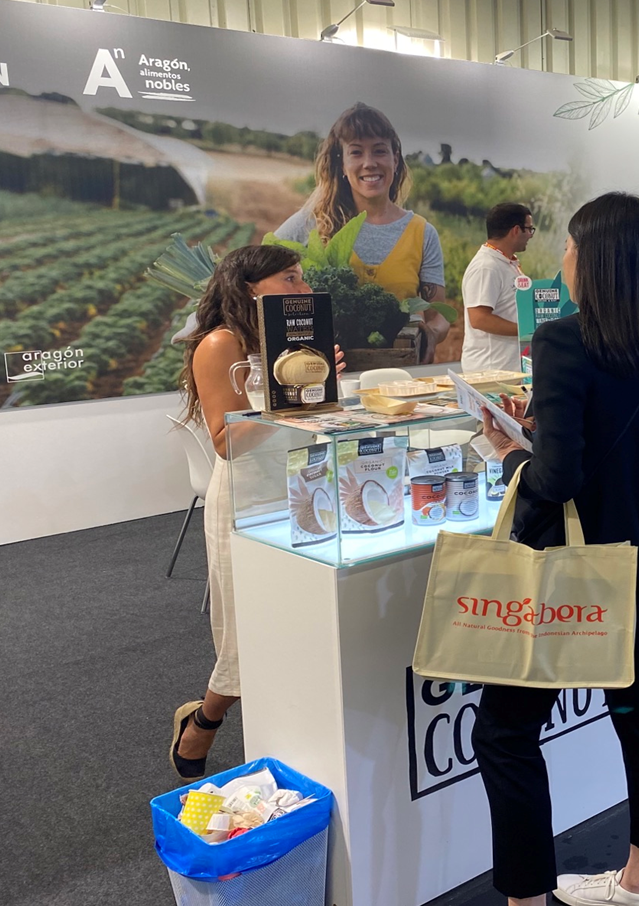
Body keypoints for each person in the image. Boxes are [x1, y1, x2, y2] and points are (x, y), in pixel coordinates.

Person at [474, 193, 639, 907]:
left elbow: (559, 478)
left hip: (568, 570)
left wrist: (513, 453)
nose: (563, 259)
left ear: (596, 259)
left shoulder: (566, 341)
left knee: (506, 730)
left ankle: (526, 897)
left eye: (571, 246)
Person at [169, 245, 344, 781]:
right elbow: (226, 442)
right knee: (246, 631)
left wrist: (322, 384)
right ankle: (203, 717)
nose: (303, 289)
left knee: (298, 619)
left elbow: (309, 417)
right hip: (247, 495)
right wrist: (291, 387)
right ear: (251, 288)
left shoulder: (295, 340)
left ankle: (295, 740)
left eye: (301, 278)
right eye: (290, 279)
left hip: (303, 482)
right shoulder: (221, 344)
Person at [275, 102, 450, 361]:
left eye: (379, 151)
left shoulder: (422, 233)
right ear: (342, 164)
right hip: (329, 375)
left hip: (401, 379)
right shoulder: (312, 223)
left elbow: (439, 315)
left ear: (395, 158)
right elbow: (258, 276)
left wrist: (432, 334)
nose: (369, 163)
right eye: (356, 153)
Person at [461, 202, 535, 372]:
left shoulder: (506, 263)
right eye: (529, 229)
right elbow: (479, 318)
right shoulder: (486, 266)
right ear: (516, 230)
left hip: (506, 370)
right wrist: (528, 331)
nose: (531, 235)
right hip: (491, 372)